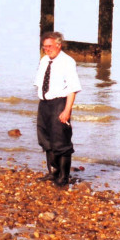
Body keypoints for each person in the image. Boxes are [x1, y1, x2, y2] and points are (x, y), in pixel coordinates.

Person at [34, 31, 81, 186]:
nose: (47, 49)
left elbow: (72, 88)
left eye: (50, 46)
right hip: (44, 103)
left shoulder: (68, 62)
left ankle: (63, 176)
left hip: (59, 103)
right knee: (45, 139)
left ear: (58, 45)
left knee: (61, 141)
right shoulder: (44, 60)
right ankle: (52, 173)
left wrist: (67, 110)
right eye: (44, 46)